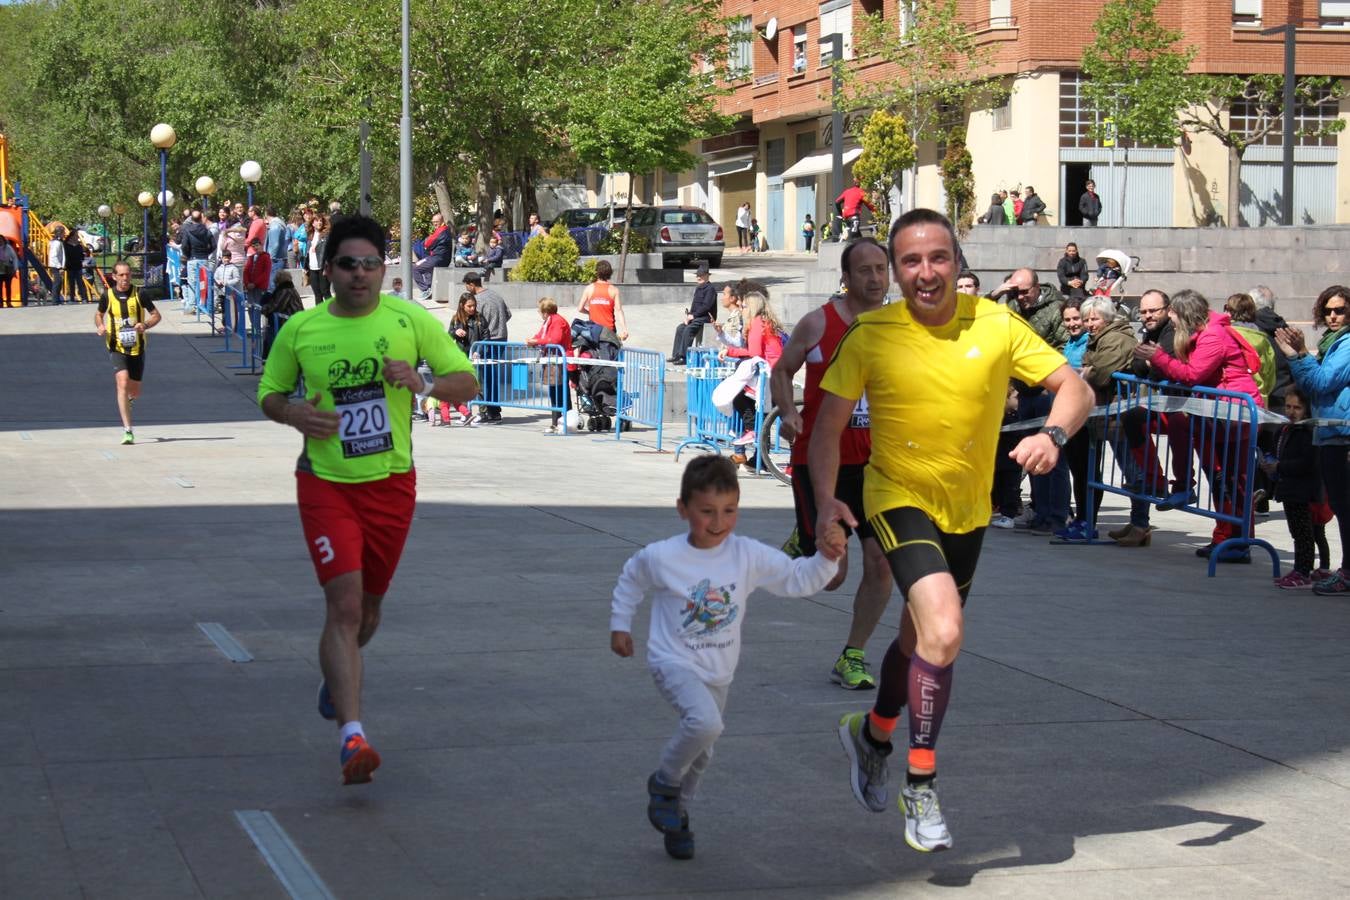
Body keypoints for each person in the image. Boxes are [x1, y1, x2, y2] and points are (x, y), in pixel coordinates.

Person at [810, 208, 1092, 853]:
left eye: (938, 258)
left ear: (958, 264)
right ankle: (922, 783)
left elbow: (1073, 386)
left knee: (920, 642)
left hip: (967, 507)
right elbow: (826, 427)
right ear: (895, 271)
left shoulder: (997, 325)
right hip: (896, 494)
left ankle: (873, 734)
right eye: (910, 261)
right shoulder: (871, 334)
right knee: (945, 629)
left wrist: (1054, 434)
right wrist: (827, 501)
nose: (925, 273)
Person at [255, 215, 478, 785]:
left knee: (370, 611)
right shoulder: (301, 330)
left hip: (391, 486)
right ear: (328, 270)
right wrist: (293, 412)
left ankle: (339, 677)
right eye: (348, 264)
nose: (360, 274)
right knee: (345, 606)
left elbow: (467, 382)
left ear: (385, 270)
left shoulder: (409, 320)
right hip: (325, 484)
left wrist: (422, 383)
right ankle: (352, 735)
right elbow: (269, 393)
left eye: (370, 264)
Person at [610, 455, 839, 861]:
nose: (718, 522)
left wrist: (827, 558)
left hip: (719, 671)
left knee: (704, 748)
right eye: (707, 512)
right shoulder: (662, 556)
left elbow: (796, 579)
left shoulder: (747, 555)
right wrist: (620, 624)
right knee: (704, 723)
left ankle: (676, 812)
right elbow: (631, 579)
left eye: (729, 511)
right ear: (683, 509)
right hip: (673, 661)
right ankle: (663, 784)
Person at [770, 237, 896, 691]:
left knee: (882, 564)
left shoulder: (898, 327)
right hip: (821, 461)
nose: (875, 278)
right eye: (864, 269)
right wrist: (788, 412)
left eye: (881, 268)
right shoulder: (817, 323)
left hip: (878, 465)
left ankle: (853, 654)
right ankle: (806, 540)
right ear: (844, 277)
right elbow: (781, 369)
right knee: (834, 575)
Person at [1133, 290, 1265, 563]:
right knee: (1222, 476)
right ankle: (1226, 535)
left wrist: (1158, 358)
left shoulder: (1213, 336)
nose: (1174, 325)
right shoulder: (1206, 333)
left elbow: (1192, 374)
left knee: (1232, 478)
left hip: (1233, 411)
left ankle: (1238, 541)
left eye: (1174, 319)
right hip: (1218, 409)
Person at [1275, 285, 1350, 594]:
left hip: (1342, 435)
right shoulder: (1334, 342)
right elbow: (1311, 385)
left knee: (1345, 508)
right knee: (1343, 508)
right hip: (1331, 434)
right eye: (1328, 310)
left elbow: (1319, 382)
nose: (1333, 316)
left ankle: (1347, 572)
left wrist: (1300, 355)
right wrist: (1300, 356)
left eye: (1340, 310)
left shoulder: (1346, 344)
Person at [1060, 297, 1139, 542]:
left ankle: (1138, 523)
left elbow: (1102, 374)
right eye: (1087, 319)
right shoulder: (1097, 339)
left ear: (1107, 317)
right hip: (1096, 413)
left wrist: (1086, 371)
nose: (1089, 324)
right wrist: (1087, 370)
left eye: (1094, 319)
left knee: (1133, 473)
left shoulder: (1117, 338)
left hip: (1118, 414)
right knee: (1084, 470)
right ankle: (1085, 520)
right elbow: (1087, 366)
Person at [1262, 387, 1332, 589]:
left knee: (1305, 534)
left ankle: (1303, 571)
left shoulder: (1308, 432)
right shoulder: (1285, 429)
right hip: (1289, 488)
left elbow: (1307, 463)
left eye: (1297, 408)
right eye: (1288, 406)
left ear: (1307, 410)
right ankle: (1300, 569)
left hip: (1303, 490)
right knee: (1298, 532)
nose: (1292, 412)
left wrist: (1280, 466)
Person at [95, 260, 162, 444]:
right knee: (122, 382)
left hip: (137, 348)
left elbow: (157, 315)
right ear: (114, 276)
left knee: (135, 391)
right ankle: (128, 430)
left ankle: (130, 399)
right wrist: (100, 325)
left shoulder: (140, 294)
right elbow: (99, 314)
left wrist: (145, 325)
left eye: (128, 275)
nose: (125, 278)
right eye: (122, 275)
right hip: (116, 346)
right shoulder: (108, 295)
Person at [723, 288, 785, 462]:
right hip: (774, 373)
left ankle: (752, 432)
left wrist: (730, 351)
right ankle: (761, 458)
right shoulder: (765, 321)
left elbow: (754, 352)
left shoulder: (758, 322)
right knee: (769, 414)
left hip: (770, 374)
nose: (741, 309)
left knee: (739, 397)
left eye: (743, 306)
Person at [464, 270, 510, 422]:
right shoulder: (496, 295)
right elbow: (508, 314)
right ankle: (494, 410)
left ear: (472, 285)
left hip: (487, 341)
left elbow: (476, 323)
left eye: (466, 286)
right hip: (501, 338)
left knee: (483, 378)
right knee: (491, 376)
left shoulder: (477, 301)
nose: (466, 289)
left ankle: (486, 410)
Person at [525, 296, 577, 433]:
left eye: (539, 311)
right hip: (553, 360)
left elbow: (555, 339)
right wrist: (533, 339)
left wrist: (536, 341)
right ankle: (560, 421)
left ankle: (560, 422)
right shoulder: (550, 321)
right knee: (555, 392)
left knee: (559, 392)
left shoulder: (557, 321)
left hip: (559, 360)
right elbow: (542, 335)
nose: (539, 313)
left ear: (545, 312)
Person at [669, 261, 717, 365]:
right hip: (696, 317)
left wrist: (693, 316)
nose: (698, 277)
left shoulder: (710, 289)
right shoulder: (699, 288)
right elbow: (695, 305)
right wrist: (688, 316)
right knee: (680, 328)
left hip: (706, 317)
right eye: (697, 275)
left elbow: (706, 306)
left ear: (707, 276)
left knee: (689, 330)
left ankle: (684, 357)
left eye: (701, 275)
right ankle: (676, 354)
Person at [578, 260, 628, 341]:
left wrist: (590, 312)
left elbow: (580, 308)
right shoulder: (614, 290)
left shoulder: (589, 288)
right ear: (609, 273)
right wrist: (624, 329)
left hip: (593, 330)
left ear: (597, 272)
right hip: (609, 331)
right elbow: (619, 310)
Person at [260, 271, 304, 359]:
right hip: (287, 321)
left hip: (289, 322)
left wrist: (263, 309)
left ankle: (268, 362)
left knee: (270, 338)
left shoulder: (286, 291)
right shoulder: (285, 289)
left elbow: (277, 306)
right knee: (268, 337)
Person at [180, 210, 215, 314]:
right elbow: (213, 245)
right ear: (201, 218)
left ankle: (192, 306)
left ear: (192, 219)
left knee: (192, 283)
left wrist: (188, 254)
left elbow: (184, 246)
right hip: (204, 259)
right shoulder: (207, 230)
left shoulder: (188, 230)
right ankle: (203, 305)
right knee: (203, 283)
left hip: (193, 259)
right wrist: (206, 252)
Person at [414, 213, 452, 302]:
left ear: (442, 221)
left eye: (437, 222)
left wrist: (426, 244)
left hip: (437, 258)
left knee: (415, 268)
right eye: (433, 222)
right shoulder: (445, 230)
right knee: (424, 267)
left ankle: (425, 290)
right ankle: (429, 288)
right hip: (440, 258)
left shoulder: (441, 230)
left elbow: (427, 243)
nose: (435, 224)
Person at [307, 215, 330, 303]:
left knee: (325, 292)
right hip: (312, 268)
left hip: (322, 268)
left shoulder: (326, 235)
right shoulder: (310, 236)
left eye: (321, 220)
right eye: (317, 220)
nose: (319, 222)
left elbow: (329, 253)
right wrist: (306, 267)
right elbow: (307, 253)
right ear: (313, 223)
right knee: (317, 294)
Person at [47, 226, 67, 304]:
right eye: (63, 232)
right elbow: (54, 256)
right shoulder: (56, 243)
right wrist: (60, 267)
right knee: (57, 283)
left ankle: (57, 300)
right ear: (59, 233)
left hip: (56, 265)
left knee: (59, 283)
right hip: (56, 266)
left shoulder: (58, 242)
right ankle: (55, 301)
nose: (64, 234)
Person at [0, 237, 18, 307]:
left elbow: (14, 258)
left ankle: (8, 302)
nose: (0, 242)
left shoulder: (8, 248)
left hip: (7, 270)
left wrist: (15, 268)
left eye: (1, 240)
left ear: (4, 241)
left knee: (8, 287)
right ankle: (0, 303)